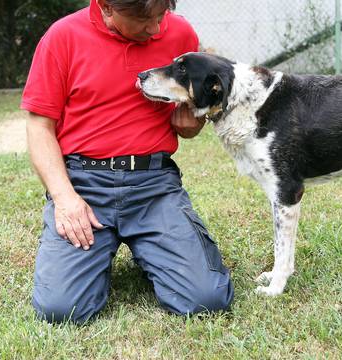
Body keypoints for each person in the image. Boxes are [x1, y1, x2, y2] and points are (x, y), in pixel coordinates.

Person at [21, 0, 233, 324]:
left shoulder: (180, 34)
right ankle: (95, 254)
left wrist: (193, 123)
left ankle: (150, 246)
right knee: (61, 310)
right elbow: (39, 128)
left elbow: (195, 106)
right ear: (106, 7)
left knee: (207, 299)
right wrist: (65, 199)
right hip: (85, 186)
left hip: (153, 186)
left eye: (162, 14)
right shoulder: (62, 37)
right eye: (143, 19)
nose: (157, 28)